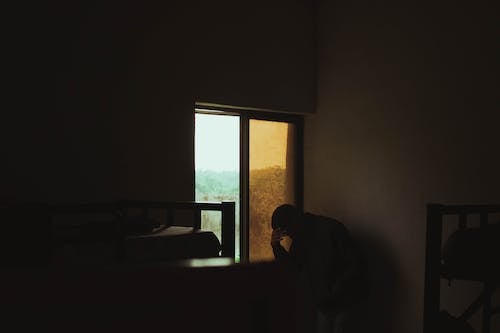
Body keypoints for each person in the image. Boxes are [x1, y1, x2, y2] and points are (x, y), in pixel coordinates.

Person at [270, 204, 364, 333]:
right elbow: (292, 268)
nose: (290, 236)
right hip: (326, 303)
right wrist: (276, 247)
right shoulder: (301, 237)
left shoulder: (330, 230)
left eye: (288, 232)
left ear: (293, 222)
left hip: (343, 301)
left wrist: (334, 293)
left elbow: (354, 266)